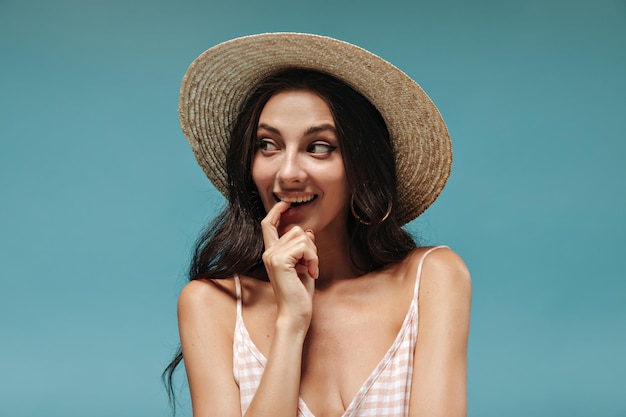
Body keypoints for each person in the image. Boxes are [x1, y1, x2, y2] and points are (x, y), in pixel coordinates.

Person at [163, 32, 471, 417]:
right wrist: (291, 324)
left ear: (361, 166)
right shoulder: (213, 304)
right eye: (268, 145)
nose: (288, 173)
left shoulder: (432, 279)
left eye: (319, 147)